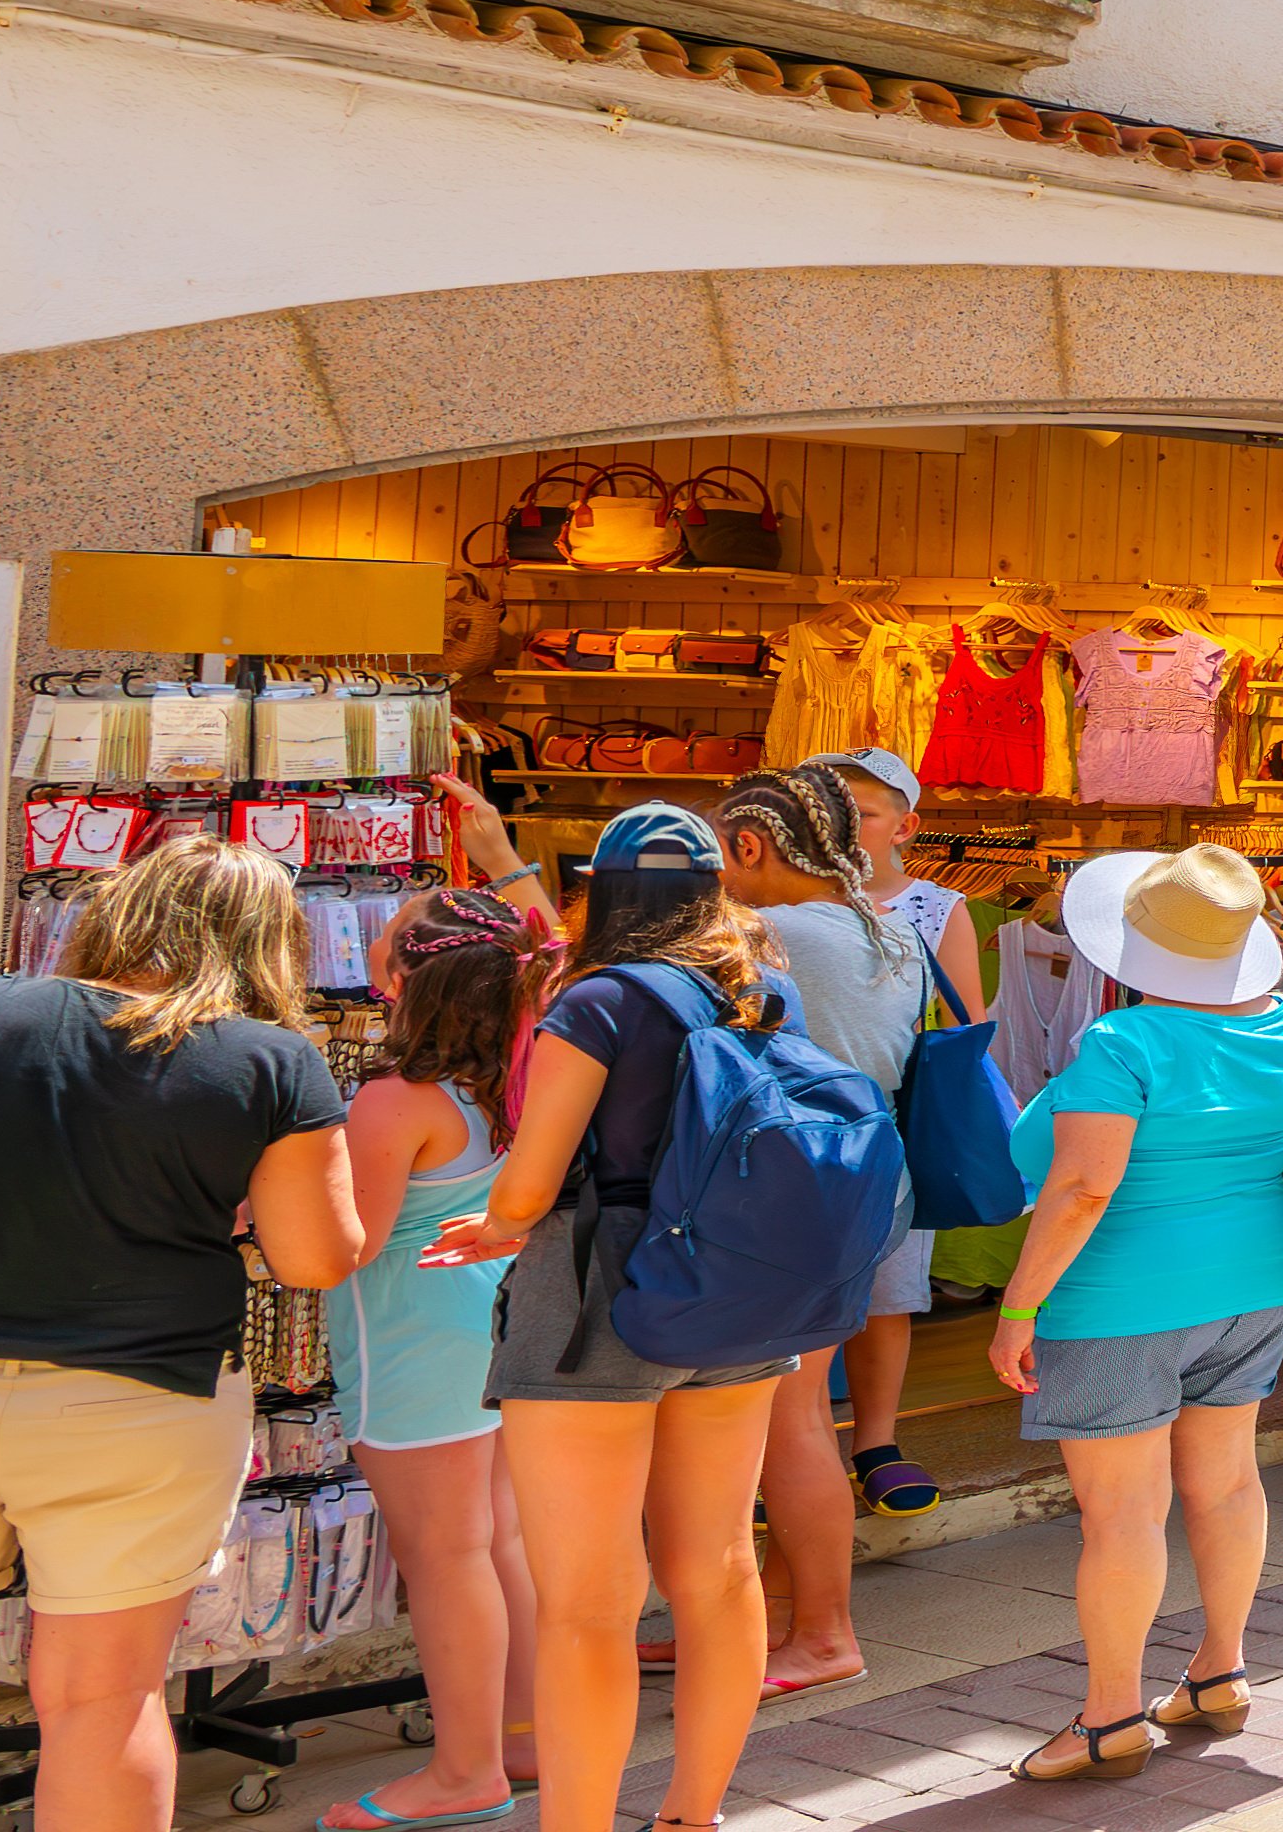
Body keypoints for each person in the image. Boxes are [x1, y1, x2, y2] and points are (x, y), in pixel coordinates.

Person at [0, 838, 368, 1832]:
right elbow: (313, 1256)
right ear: (269, 944)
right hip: (140, 1397)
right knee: (101, 1700)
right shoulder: (268, 1058)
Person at [420, 801, 812, 1832]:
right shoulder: (764, 990)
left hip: (597, 1293)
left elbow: (532, 1179)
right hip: (738, 1289)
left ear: (602, 886)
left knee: (588, 1606)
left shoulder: (596, 998)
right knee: (719, 1568)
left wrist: (492, 1225)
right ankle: (694, 1812)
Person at [990, 846, 1283, 1785]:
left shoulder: (1124, 1045)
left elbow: (1079, 1189)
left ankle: (1110, 1717)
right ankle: (1219, 1671)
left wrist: (1017, 1307)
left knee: (1121, 1516)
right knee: (1227, 1485)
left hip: (1119, 1300)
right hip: (1253, 1287)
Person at [325, 891, 555, 1832]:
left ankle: (465, 1773)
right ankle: (525, 1736)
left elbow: (349, 1244)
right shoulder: (521, 1074)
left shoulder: (394, 1099)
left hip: (412, 1344)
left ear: (406, 980)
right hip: (492, 1330)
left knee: (446, 1555)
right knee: (496, 1542)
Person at [709, 768, 921, 1694]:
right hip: (860, 1183)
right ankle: (775, 1609)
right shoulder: (886, 926)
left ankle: (825, 1634)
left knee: (790, 1421)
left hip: (795, 1197)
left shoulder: (778, 936)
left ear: (752, 846)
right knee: (799, 1416)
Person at [815, 749, 985, 1517]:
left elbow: (963, 1027)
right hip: (798, 1128)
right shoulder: (773, 904)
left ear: (904, 826)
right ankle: (797, 1444)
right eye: (828, 809)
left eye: (865, 812)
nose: (846, 827)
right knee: (795, 1292)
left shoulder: (936, 909)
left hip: (893, 1123)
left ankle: (875, 1441)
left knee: (888, 1295)